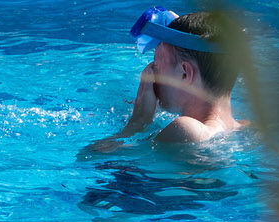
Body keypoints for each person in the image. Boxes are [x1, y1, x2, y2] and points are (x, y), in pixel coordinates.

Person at [94, 9, 243, 148]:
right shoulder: (248, 129)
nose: (150, 73)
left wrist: (138, 120)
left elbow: (91, 157)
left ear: (185, 74)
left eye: (156, 66)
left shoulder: (187, 130)